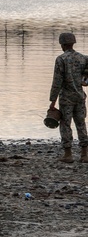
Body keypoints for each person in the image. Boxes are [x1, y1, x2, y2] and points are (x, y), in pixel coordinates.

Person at [48, 32, 88, 163]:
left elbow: (57, 82)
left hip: (66, 98)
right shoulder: (83, 58)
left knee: (65, 124)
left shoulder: (61, 59)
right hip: (80, 97)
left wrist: (52, 101)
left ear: (63, 44)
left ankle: (68, 154)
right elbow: (86, 79)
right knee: (81, 124)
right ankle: (84, 154)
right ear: (73, 43)